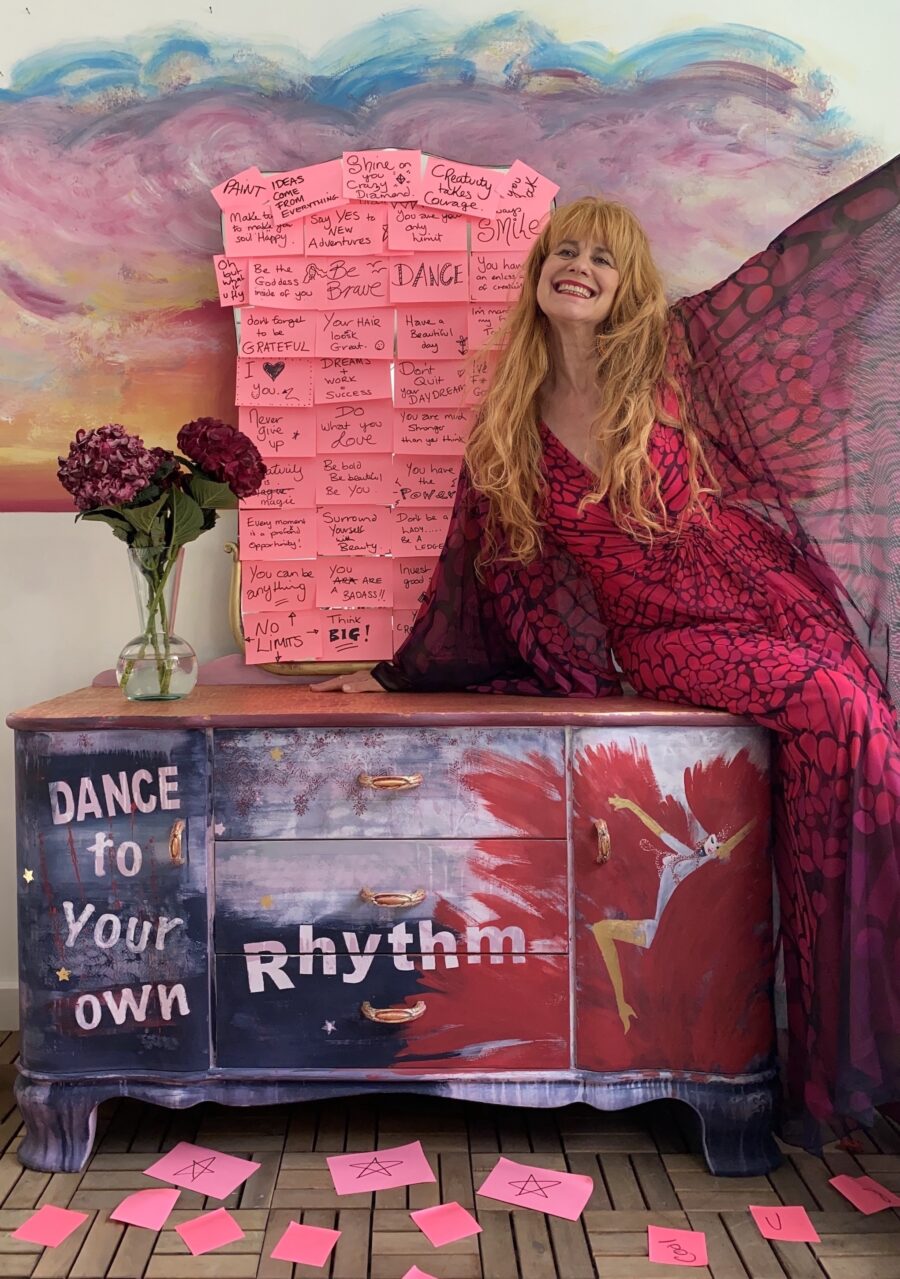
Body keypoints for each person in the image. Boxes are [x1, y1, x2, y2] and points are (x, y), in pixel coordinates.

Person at [311, 156, 900, 1150]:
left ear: (628, 286)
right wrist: (391, 671)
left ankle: (870, 1044)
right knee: (840, 716)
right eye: (564, 251)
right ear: (540, 273)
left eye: (602, 257)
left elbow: (803, 286)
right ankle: (841, 1064)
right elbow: (471, 567)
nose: (578, 266)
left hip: (771, 600)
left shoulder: (678, 366)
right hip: (672, 642)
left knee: (867, 729)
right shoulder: (509, 425)